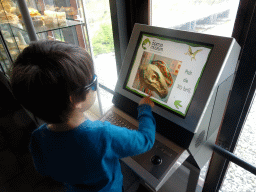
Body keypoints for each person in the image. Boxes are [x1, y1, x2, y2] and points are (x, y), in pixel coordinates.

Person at [11, 40, 156, 192]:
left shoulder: (37, 139)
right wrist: (144, 109)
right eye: (92, 82)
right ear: (74, 100)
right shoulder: (103, 135)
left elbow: (44, 169)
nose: (95, 85)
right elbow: (146, 140)